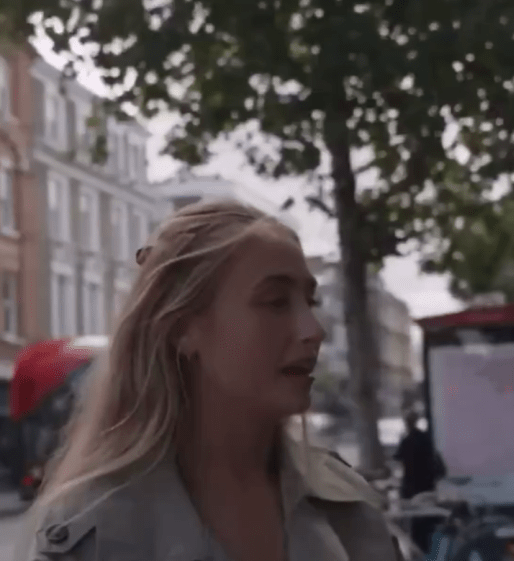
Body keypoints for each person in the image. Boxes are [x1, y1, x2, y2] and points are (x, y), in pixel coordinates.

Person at [18, 200, 402, 561]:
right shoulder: (92, 530)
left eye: (310, 302)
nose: (313, 330)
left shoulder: (348, 504)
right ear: (183, 327)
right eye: (275, 302)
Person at [393, 410, 446, 553]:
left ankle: (419, 553)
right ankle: (433, 552)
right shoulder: (426, 438)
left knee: (415, 527)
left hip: (411, 489)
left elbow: (397, 458)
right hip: (427, 487)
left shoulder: (406, 440)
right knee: (429, 524)